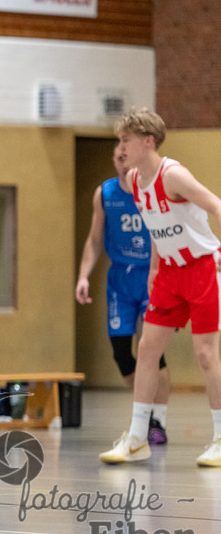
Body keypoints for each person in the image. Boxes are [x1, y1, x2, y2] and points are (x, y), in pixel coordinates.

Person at [100, 109, 221, 467]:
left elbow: (216, 204)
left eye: (126, 140)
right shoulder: (136, 179)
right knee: (147, 349)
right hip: (168, 273)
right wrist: (155, 266)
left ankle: (220, 436)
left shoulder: (174, 175)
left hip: (201, 268)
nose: (120, 148)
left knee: (204, 354)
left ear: (147, 141)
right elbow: (156, 225)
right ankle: (137, 438)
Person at [76, 144, 170, 444]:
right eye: (119, 157)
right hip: (120, 277)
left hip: (153, 274)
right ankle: (146, 408)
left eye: (128, 156)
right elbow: (93, 239)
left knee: (153, 350)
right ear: (115, 161)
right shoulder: (104, 194)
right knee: (121, 353)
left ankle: (156, 421)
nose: (124, 162)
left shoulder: (155, 189)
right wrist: (83, 276)